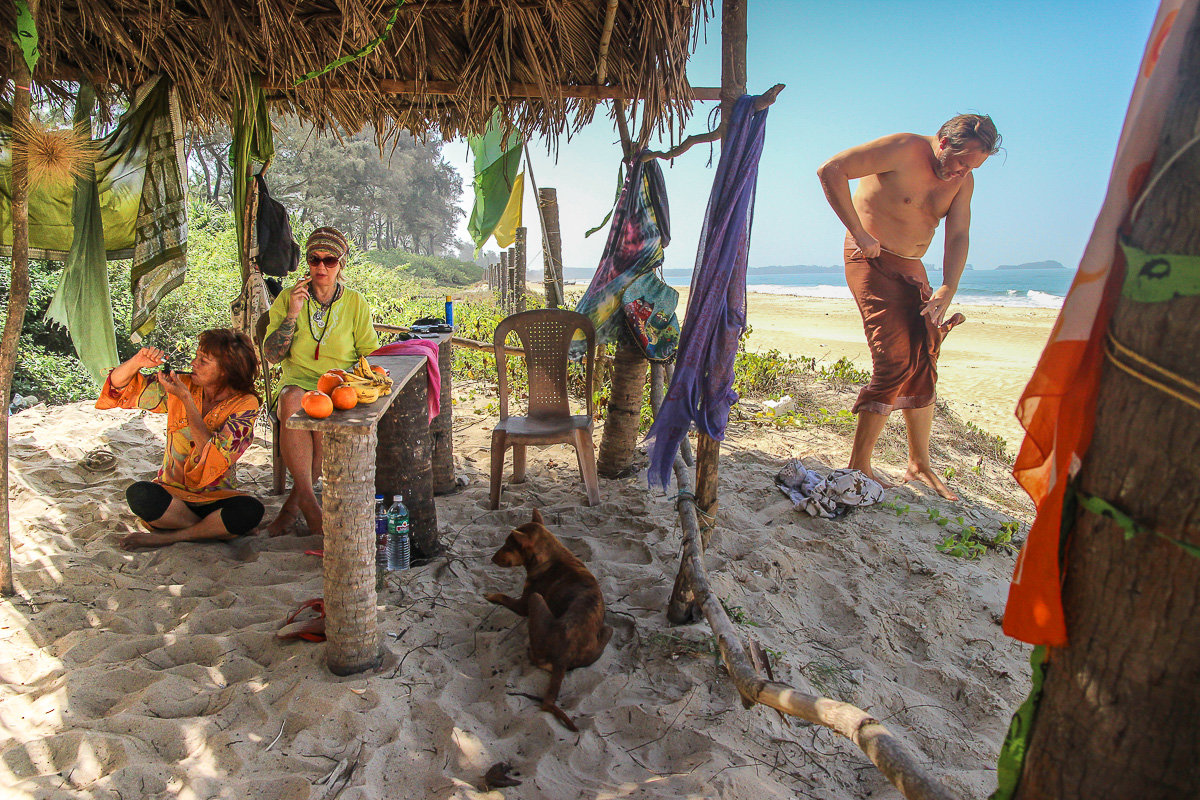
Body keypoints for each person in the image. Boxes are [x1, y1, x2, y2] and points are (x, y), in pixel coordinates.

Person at [817, 113, 1001, 500]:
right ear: (944, 141)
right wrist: (859, 232)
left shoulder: (963, 180)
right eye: (961, 161)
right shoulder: (903, 148)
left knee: (925, 354)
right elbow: (831, 170)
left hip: (913, 267)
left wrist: (948, 286)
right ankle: (858, 464)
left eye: (973, 166)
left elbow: (959, 233)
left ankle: (919, 463)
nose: (962, 172)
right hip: (871, 258)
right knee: (894, 358)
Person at [98, 329, 265, 549]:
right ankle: (209, 531)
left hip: (215, 498)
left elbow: (212, 455)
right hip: (172, 495)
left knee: (250, 510)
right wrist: (137, 361)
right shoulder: (183, 383)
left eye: (203, 361)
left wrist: (185, 398)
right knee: (140, 495)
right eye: (196, 357)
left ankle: (170, 536)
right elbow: (118, 389)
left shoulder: (245, 403)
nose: (193, 363)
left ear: (226, 370)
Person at [263, 227, 378, 537]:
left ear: (341, 265)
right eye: (315, 260)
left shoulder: (355, 303)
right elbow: (272, 355)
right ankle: (312, 509)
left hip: (338, 385)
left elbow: (369, 354)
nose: (321, 268)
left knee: (320, 418)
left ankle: (292, 508)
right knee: (291, 400)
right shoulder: (290, 298)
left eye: (330, 261)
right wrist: (292, 315)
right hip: (297, 380)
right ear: (308, 263)